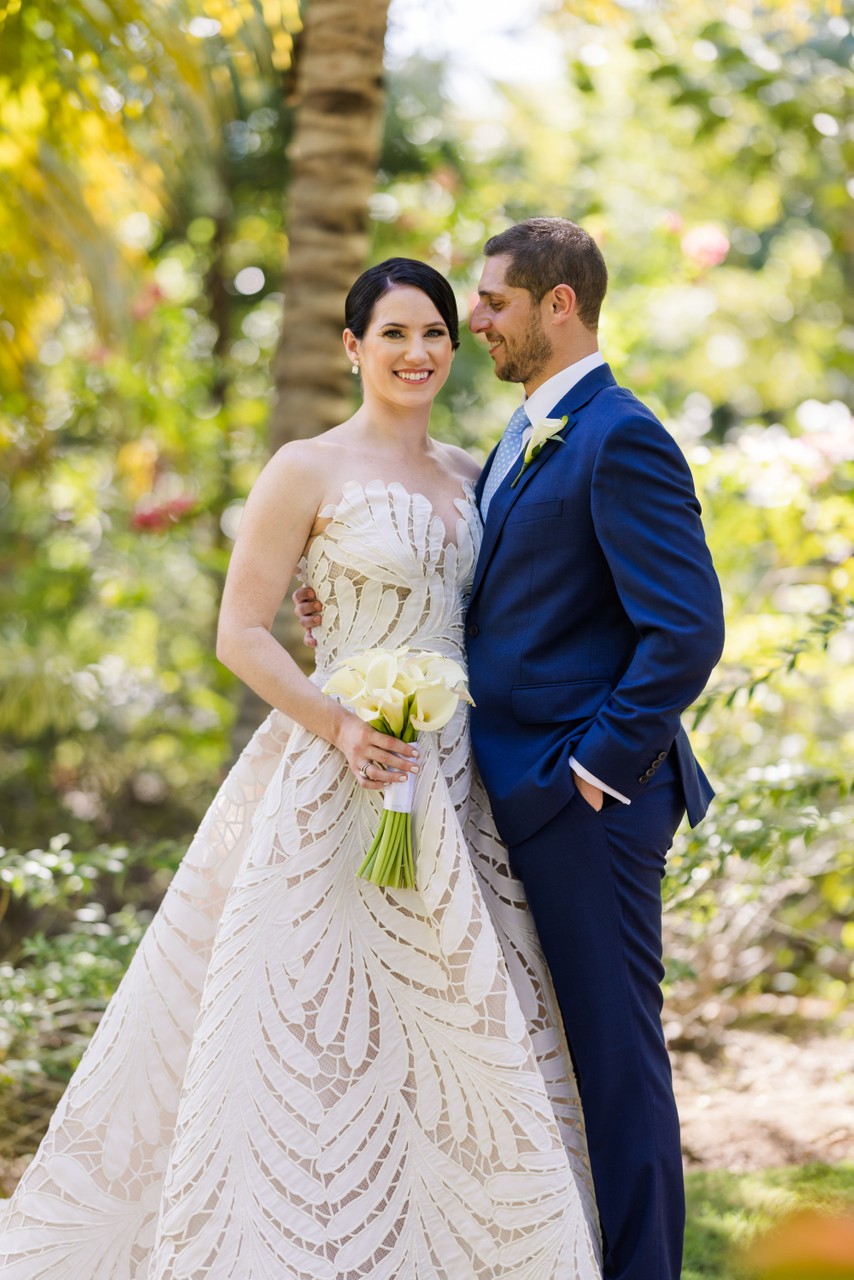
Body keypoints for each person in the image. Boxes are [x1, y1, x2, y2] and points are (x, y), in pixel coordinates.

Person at [0, 258, 602, 1279]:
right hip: (339, 772)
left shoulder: (476, 471)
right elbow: (240, 632)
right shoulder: (305, 468)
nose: (416, 352)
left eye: (435, 334)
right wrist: (340, 724)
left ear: (453, 350)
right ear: (352, 346)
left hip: (458, 783)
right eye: (395, 333)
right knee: (315, 1016)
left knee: (453, 1025)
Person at [296, 220, 726, 1280]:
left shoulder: (614, 433)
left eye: (489, 302)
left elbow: (686, 627)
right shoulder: (523, 433)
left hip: (587, 803)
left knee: (615, 1061)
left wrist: (592, 769)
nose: (472, 322)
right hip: (498, 792)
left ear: (558, 306)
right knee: (546, 1056)